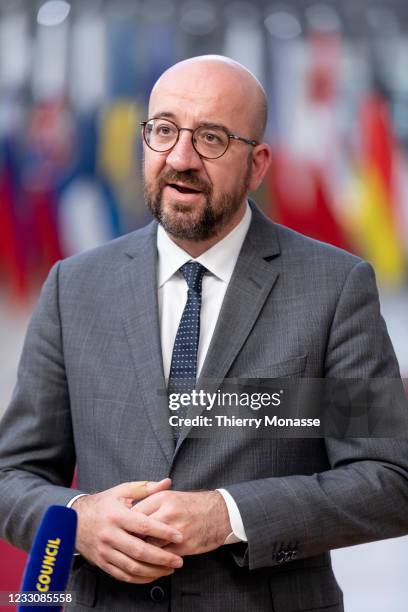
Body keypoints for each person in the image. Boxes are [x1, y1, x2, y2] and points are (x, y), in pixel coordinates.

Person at [0, 55, 407, 612]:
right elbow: (14, 476)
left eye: (211, 138)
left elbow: (388, 481)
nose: (181, 159)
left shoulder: (334, 288)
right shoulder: (74, 287)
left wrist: (228, 515)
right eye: (164, 130)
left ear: (258, 164)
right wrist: (79, 520)